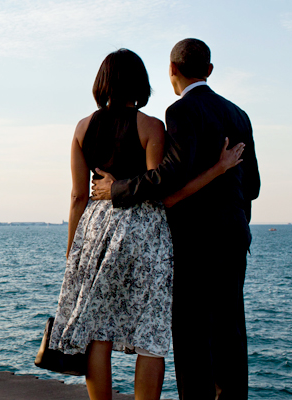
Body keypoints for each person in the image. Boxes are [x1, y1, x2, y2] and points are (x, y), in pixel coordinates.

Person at [49, 48, 245, 400]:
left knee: (98, 331)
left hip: (95, 231)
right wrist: (217, 170)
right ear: (141, 82)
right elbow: (161, 191)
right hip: (144, 232)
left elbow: (79, 196)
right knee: (151, 335)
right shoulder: (151, 126)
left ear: (101, 82)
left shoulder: (82, 129)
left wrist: (72, 253)